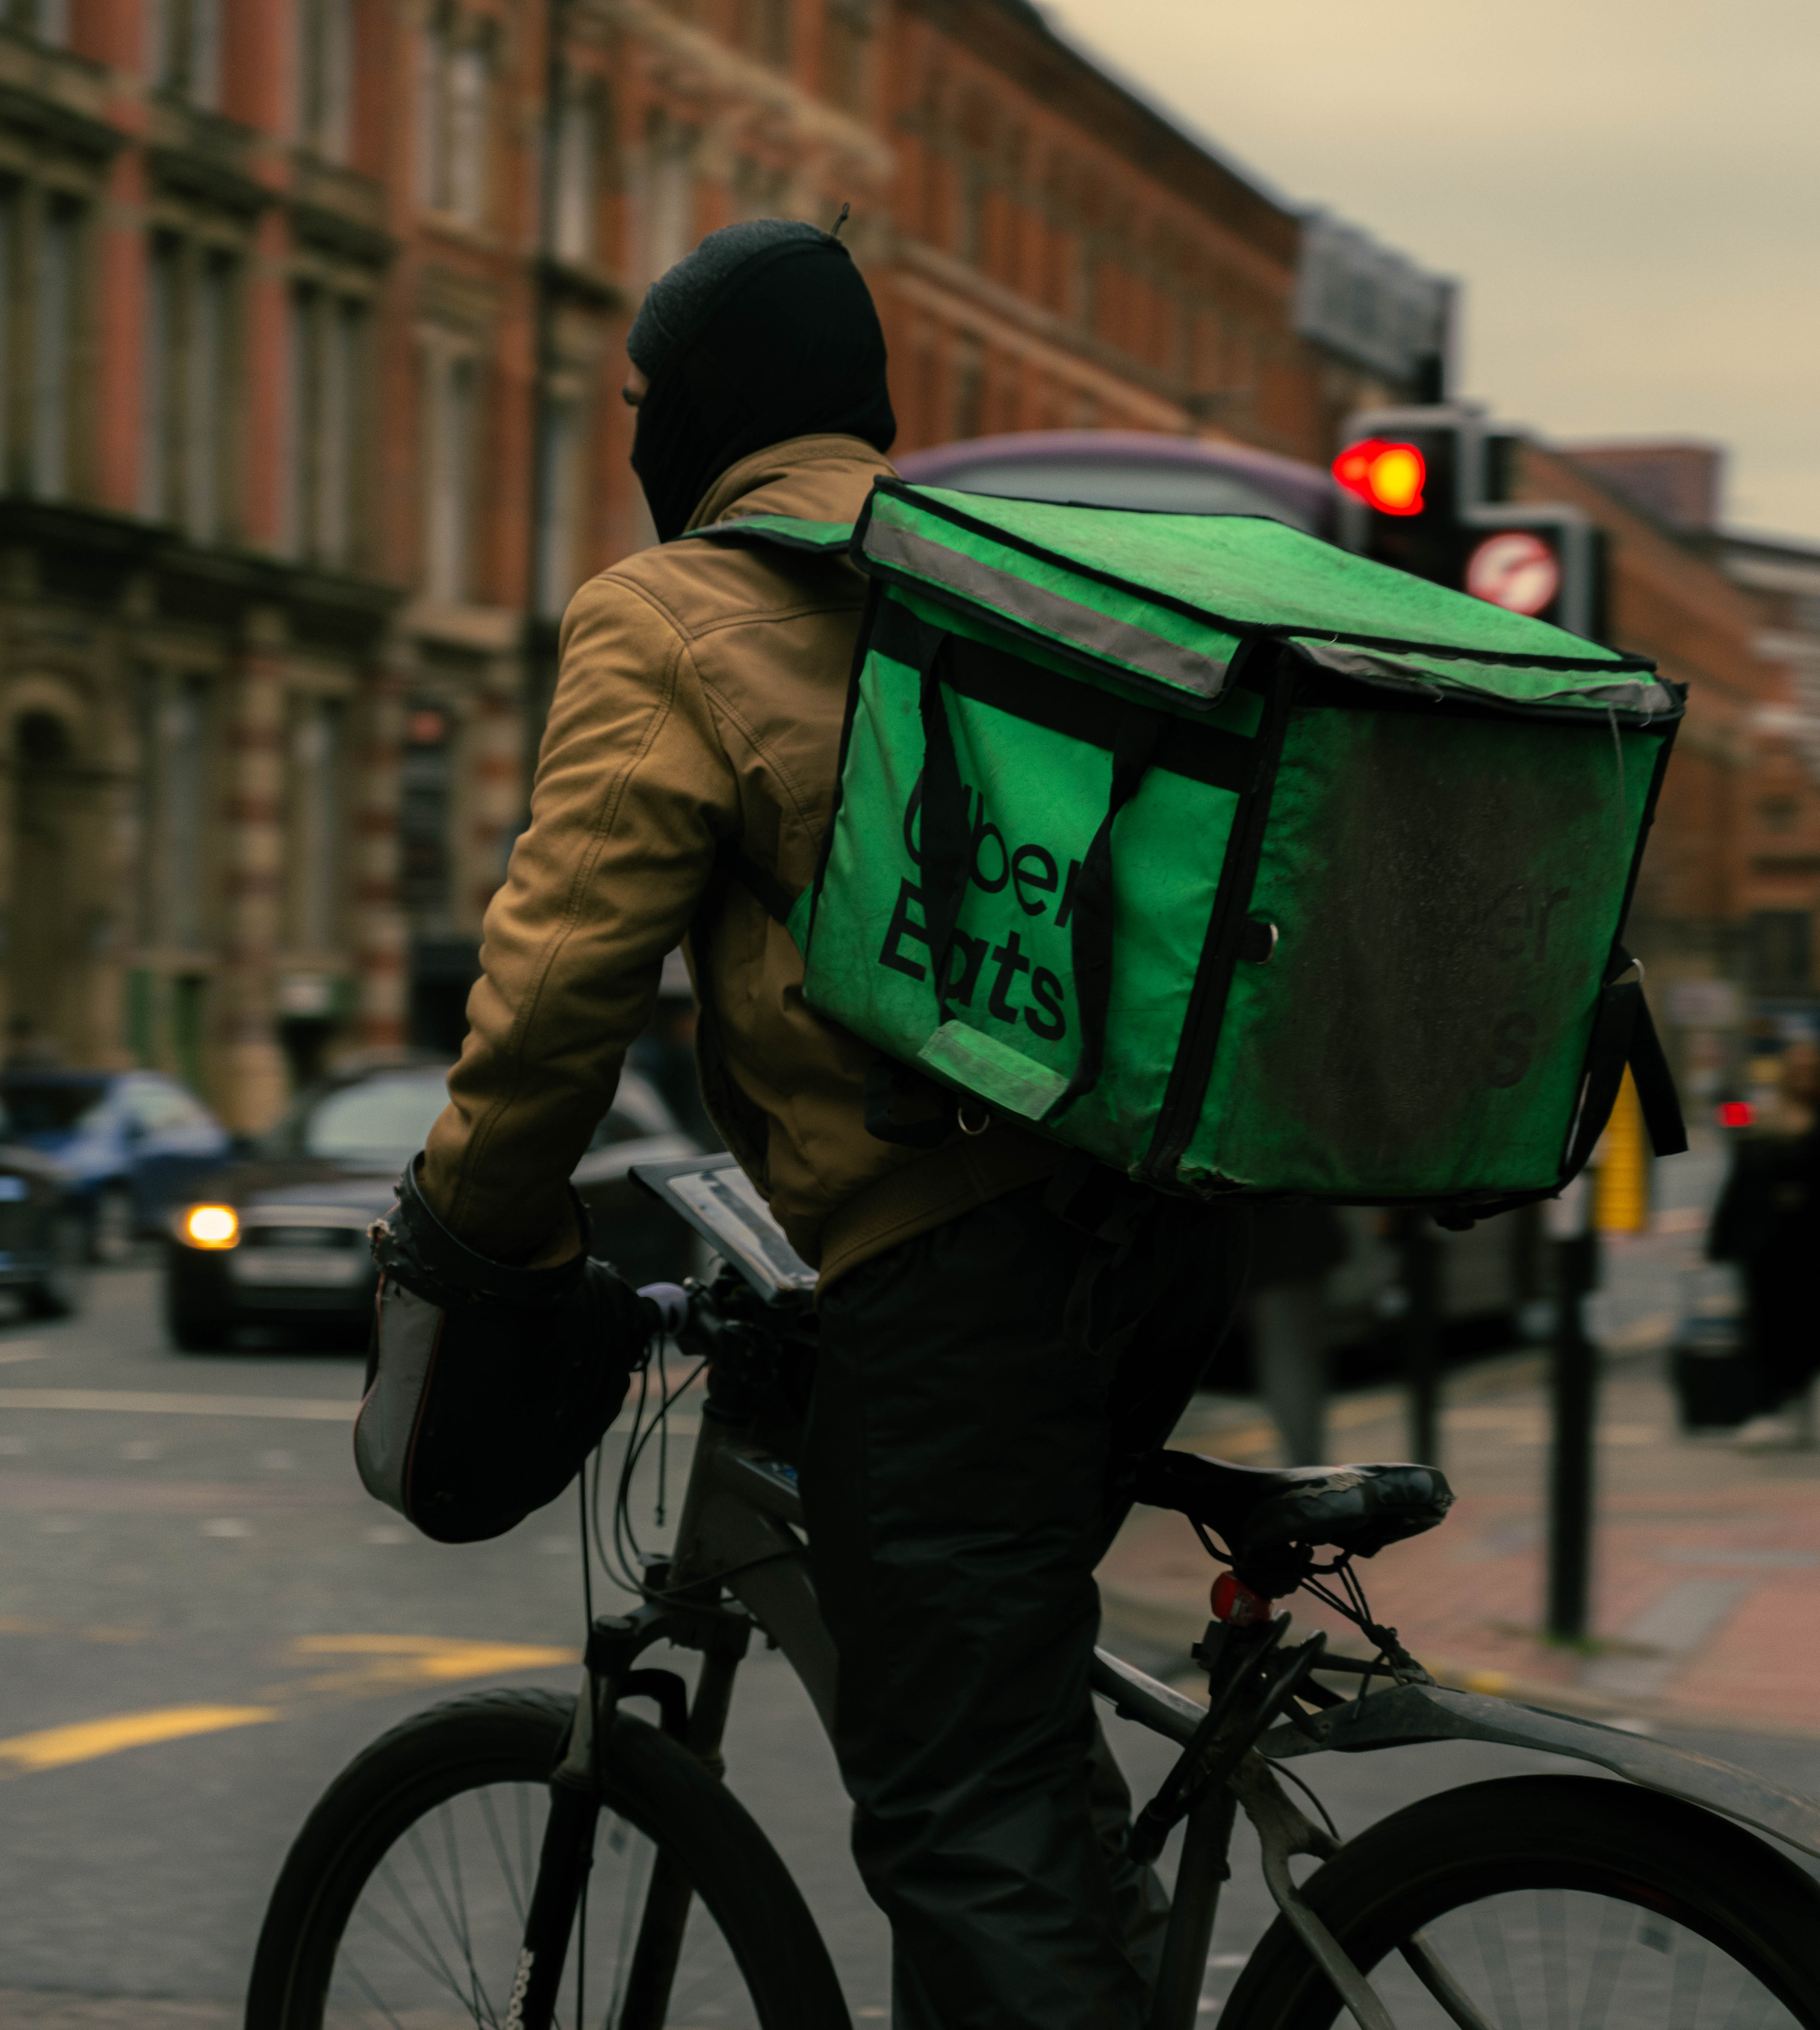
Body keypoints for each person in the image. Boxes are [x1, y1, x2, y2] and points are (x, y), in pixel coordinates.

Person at [409, 217, 1248, 2030]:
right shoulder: (987, 589)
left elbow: (563, 986)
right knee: (1002, 1724)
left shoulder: (675, 610)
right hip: (1158, 1242)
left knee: (957, 1804)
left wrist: (467, 1213)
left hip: (952, 1269)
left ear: (695, 412)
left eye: (644, 402)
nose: (634, 437)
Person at [1704, 1038, 1820, 1449]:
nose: (1803, 1077)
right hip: (1763, 1244)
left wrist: (1812, 1200)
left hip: (1808, 1244)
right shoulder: (1766, 1117)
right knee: (1760, 1326)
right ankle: (1762, 1408)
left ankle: (1800, 1399)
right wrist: (1723, 1237)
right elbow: (1739, 1180)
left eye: (1811, 1070)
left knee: (1805, 1327)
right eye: (1797, 1069)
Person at [1246, 1203, 1351, 1466]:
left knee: (1290, 1358)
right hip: (1284, 1236)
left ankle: (1305, 1469)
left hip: (1274, 1237)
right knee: (1293, 1360)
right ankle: (1306, 1470)